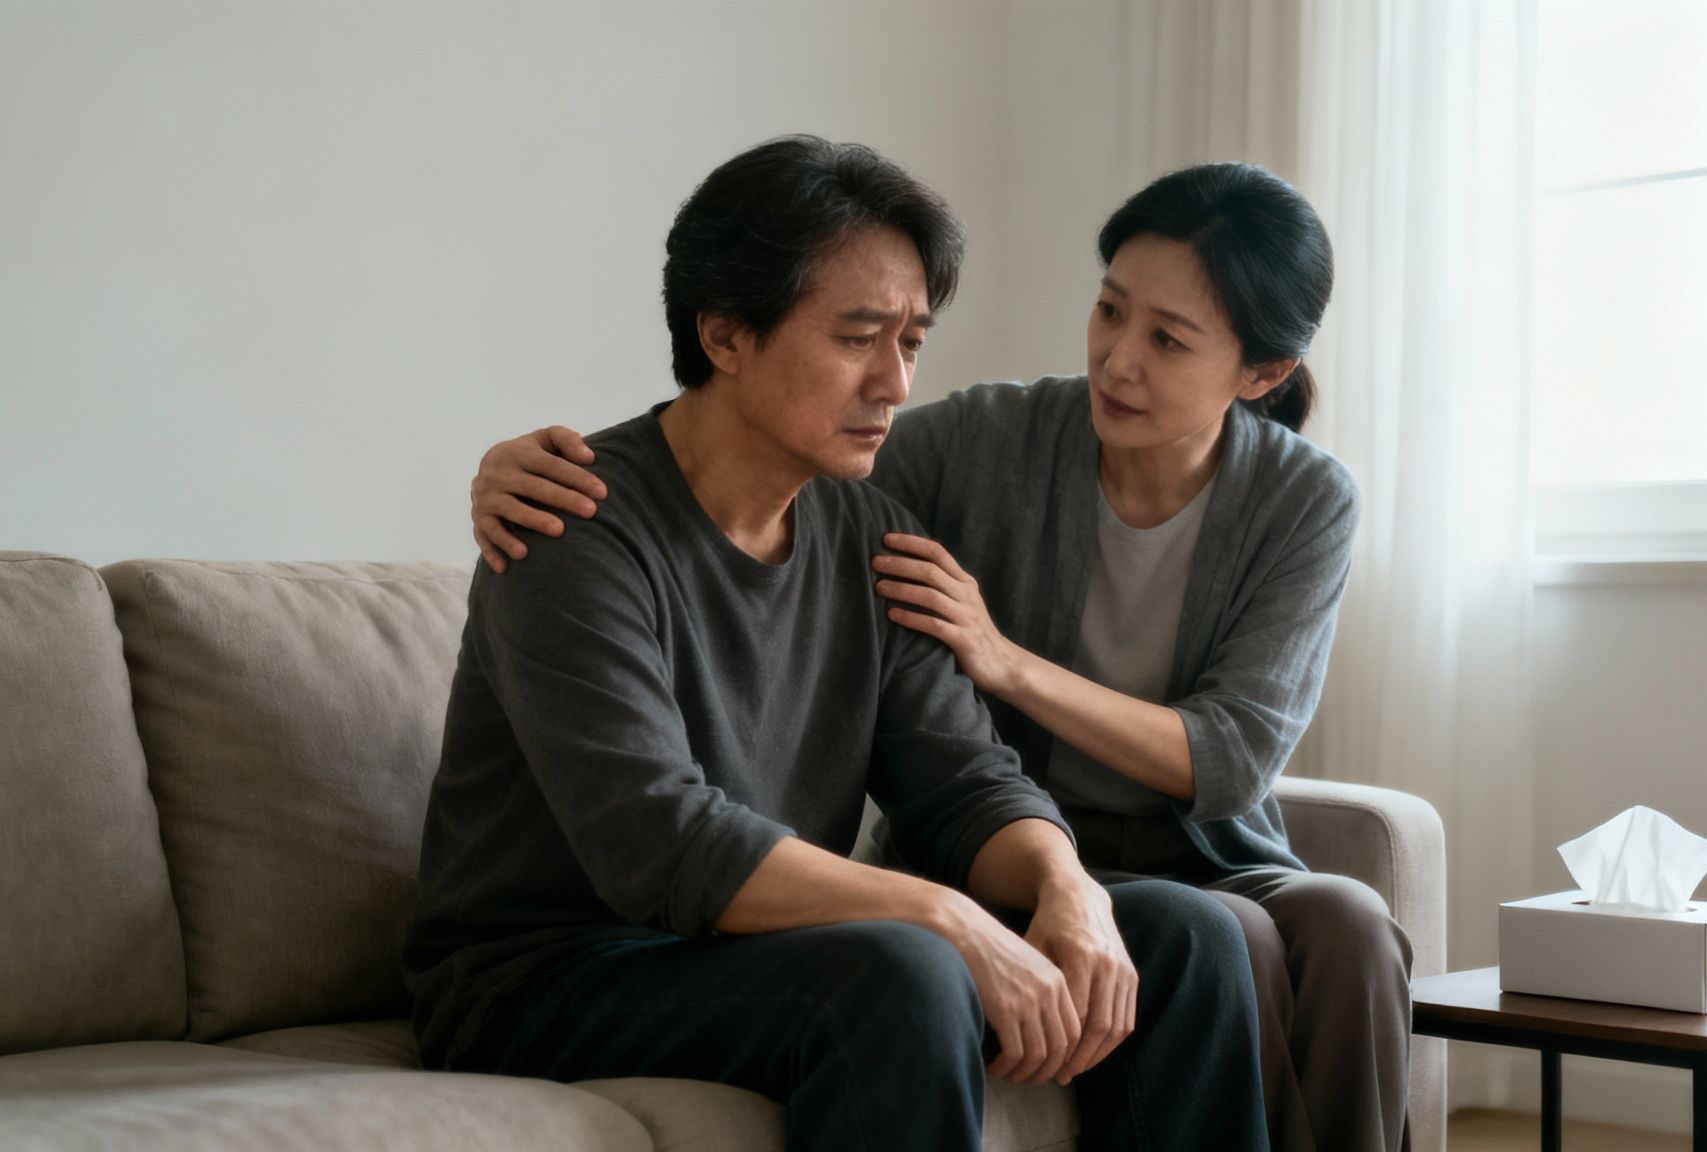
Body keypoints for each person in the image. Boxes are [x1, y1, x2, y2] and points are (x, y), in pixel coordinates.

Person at [471, 161, 1411, 1152]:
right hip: (560, 970)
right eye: (857, 338)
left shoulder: (871, 534)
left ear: (1260, 373)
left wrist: (1065, 886)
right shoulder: (572, 528)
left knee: (1190, 938)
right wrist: (946, 917)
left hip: (760, 942)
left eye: (911, 341)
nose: (896, 384)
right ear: (725, 334)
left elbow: (963, 781)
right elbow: (661, 840)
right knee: (908, 969)